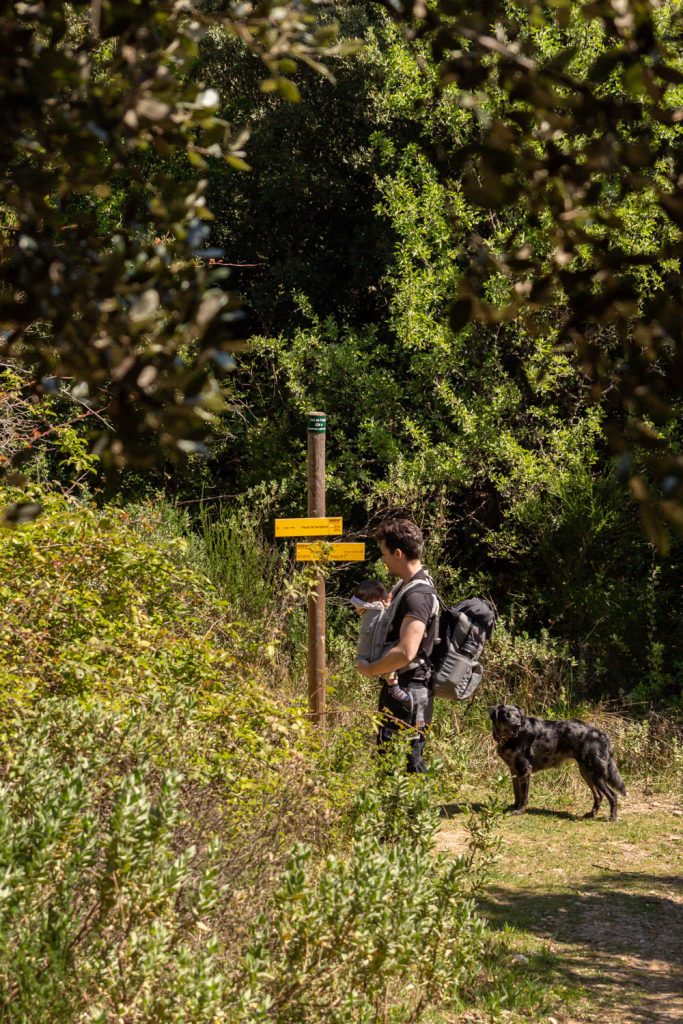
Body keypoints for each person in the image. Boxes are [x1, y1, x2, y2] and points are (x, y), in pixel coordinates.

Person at [356, 519, 438, 773]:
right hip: (400, 687)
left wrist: (371, 669)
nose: (384, 561)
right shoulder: (406, 587)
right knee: (389, 758)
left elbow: (406, 651)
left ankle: (415, 813)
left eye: (384, 554)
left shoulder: (418, 595)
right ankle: (394, 812)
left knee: (408, 763)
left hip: (410, 692)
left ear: (398, 553)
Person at [351, 579, 412, 709]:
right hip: (375, 650)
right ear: (377, 599)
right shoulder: (376, 611)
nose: (388, 595)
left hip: (366, 652)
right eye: (385, 594)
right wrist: (389, 606)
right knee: (391, 659)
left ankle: (392, 686)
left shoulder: (369, 610)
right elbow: (386, 620)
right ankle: (393, 687)